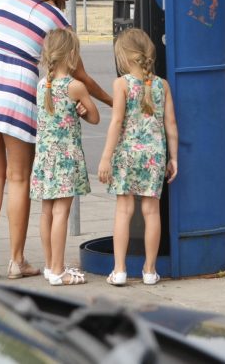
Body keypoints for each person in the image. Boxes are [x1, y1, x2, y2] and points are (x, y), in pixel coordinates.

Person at [0, 0, 111, 279]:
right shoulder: (57, 20)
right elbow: (80, 76)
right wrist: (112, 101)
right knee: (18, 178)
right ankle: (16, 260)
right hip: (18, 91)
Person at [97, 28, 179, 286]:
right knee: (151, 212)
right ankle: (150, 270)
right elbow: (171, 125)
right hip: (154, 155)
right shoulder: (162, 85)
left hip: (127, 153)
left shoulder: (121, 84)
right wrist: (173, 158)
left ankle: (119, 269)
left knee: (124, 210)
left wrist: (106, 157)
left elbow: (117, 121)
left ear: (124, 56)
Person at [29, 28, 100, 286]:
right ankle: (60, 271)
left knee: (46, 212)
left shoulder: (42, 85)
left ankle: (50, 265)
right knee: (62, 213)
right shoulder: (75, 87)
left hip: (45, 157)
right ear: (71, 55)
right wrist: (82, 111)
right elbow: (95, 117)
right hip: (66, 159)